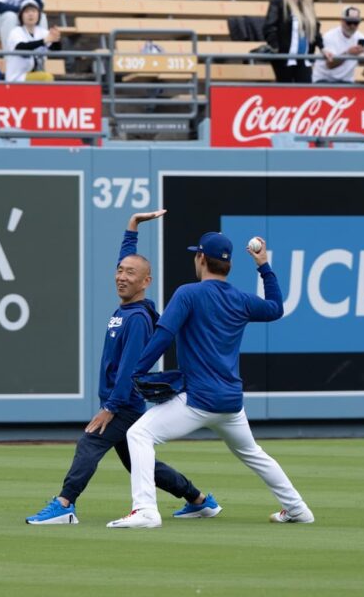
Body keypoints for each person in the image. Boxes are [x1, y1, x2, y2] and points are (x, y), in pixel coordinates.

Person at [26, 209, 221, 526]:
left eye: (130, 273)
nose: (122, 276)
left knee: (90, 441)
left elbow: (131, 369)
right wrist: (132, 227)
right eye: (119, 271)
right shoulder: (129, 306)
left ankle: (64, 504)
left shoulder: (138, 319)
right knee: (138, 463)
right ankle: (199, 500)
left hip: (123, 403)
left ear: (146, 282)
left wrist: (111, 408)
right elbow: (128, 262)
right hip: (120, 402)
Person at [108, 232, 314, 529]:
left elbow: (164, 334)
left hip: (198, 399)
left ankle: (145, 510)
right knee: (253, 453)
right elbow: (275, 307)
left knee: (138, 434)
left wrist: (137, 370)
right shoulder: (241, 299)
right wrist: (263, 265)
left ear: (201, 258)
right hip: (230, 402)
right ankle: (298, 509)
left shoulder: (188, 293)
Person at [262, 0, 321, 84]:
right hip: (284, 57)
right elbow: (269, 27)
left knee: (305, 89)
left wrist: (323, 48)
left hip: (304, 57)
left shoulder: (308, 3)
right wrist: (276, 47)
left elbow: (315, 29)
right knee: (285, 90)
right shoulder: (278, 2)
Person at [314, 6, 364, 84]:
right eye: (349, 22)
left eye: (355, 23)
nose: (352, 26)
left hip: (346, 81)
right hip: (325, 80)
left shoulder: (359, 36)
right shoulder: (329, 36)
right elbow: (330, 64)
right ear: (342, 21)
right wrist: (348, 53)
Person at [3, 0, 61, 82]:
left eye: (33, 11)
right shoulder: (16, 31)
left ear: (38, 15)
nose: (30, 14)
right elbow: (21, 47)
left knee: (45, 77)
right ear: (21, 16)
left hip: (34, 74)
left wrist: (56, 39)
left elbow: (56, 49)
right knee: (46, 77)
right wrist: (44, 41)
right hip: (17, 78)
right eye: (26, 12)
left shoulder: (41, 31)